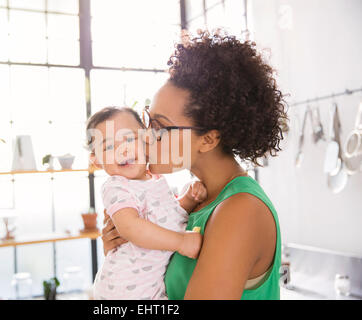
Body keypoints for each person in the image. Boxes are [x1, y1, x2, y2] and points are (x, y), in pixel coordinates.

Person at [101, 30, 288, 300]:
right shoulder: (193, 200)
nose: (144, 137)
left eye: (159, 127)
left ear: (208, 139)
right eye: (146, 121)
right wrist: (125, 258)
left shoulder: (240, 210)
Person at [86, 106, 206, 300]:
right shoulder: (116, 187)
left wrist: (188, 199)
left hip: (150, 287)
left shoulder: (156, 180)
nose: (122, 150)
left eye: (130, 139)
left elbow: (166, 216)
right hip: (123, 290)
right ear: (97, 161)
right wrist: (181, 242)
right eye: (109, 146)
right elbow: (131, 227)